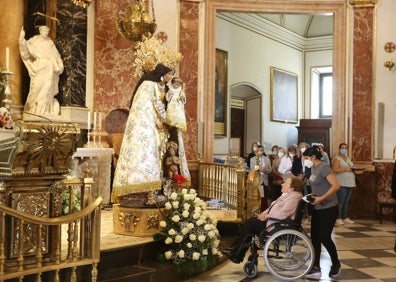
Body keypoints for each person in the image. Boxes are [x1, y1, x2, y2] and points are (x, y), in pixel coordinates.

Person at [112, 63, 175, 205]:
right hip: (145, 127)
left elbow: (162, 103)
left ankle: (151, 192)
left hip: (157, 128)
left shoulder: (162, 87)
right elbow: (146, 106)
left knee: (155, 156)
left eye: (172, 74)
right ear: (162, 72)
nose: (171, 77)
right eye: (170, 73)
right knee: (144, 155)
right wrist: (163, 118)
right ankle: (138, 192)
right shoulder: (147, 85)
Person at [223, 176, 304, 263]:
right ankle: (236, 250)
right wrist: (264, 213)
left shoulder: (293, 198)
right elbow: (272, 207)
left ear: (292, 188)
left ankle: (237, 254)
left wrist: (267, 216)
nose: (282, 184)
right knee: (249, 222)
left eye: (286, 183)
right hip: (275, 221)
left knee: (249, 225)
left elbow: (283, 213)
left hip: (278, 225)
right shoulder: (288, 196)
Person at [302, 146, 341, 279]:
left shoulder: (324, 167)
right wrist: (312, 196)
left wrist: (321, 198)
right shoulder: (312, 168)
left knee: (324, 237)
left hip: (329, 207)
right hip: (318, 207)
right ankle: (316, 267)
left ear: (313, 157)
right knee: (315, 238)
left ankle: (336, 264)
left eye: (306, 158)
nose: (305, 161)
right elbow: (317, 187)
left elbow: (336, 186)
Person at [19, 26, 64, 116]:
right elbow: (26, 49)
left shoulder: (50, 43)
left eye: (47, 31)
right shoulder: (35, 40)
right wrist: (21, 39)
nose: (45, 32)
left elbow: (57, 56)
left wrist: (59, 64)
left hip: (49, 69)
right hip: (39, 67)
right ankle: (33, 109)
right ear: (40, 31)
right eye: (43, 30)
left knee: (47, 89)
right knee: (36, 88)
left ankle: (45, 109)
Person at [332, 143, 356, 226]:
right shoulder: (337, 158)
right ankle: (338, 218)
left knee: (346, 201)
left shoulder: (347, 158)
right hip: (341, 182)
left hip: (350, 182)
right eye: (342, 148)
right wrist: (345, 169)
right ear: (339, 149)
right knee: (341, 201)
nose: (344, 149)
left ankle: (345, 217)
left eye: (345, 148)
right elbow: (334, 169)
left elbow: (351, 167)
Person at [250, 145, 272, 211]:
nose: (260, 152)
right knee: (258, 196)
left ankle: (264, 210)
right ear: (256, 151)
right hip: (257, 180)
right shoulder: (252, 159)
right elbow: (252, 169)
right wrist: (259, 169)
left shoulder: (267, 159)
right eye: (258, 150)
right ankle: (257, 209)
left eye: (261, 150)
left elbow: (270, 169)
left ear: (263, 151)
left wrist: (266, 170)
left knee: (265, 197)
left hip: (265, 180)